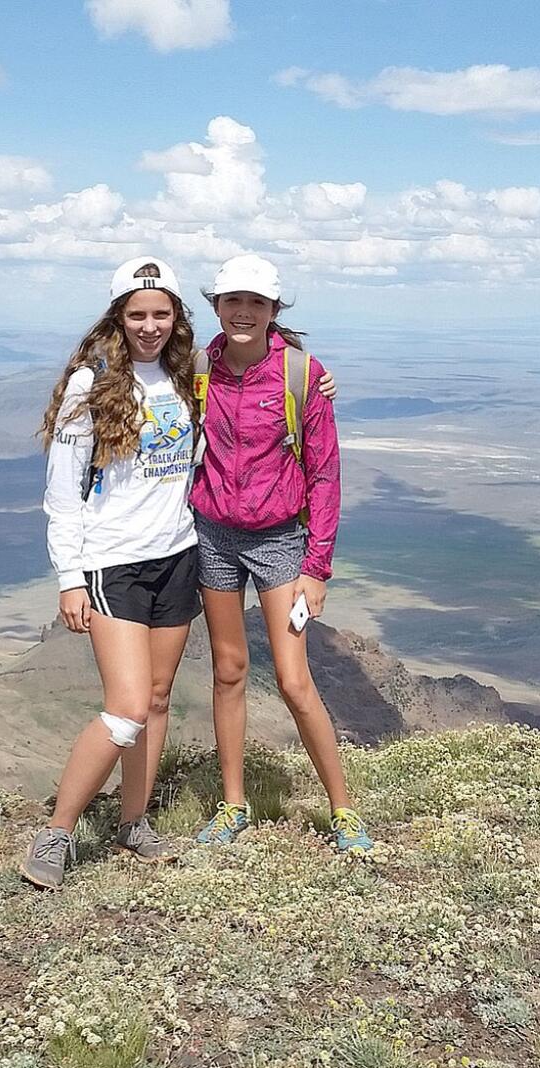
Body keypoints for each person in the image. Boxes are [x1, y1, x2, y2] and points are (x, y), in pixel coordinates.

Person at [22, 256, 202, 889]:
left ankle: (134, 823)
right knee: (126, 707)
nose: (150, 326)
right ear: (118, 318)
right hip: (113, 564)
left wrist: (317, 382)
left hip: (178, 556)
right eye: (137, 315)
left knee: (156, 700)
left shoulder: (187, 377)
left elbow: (254, 359)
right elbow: (63, 492)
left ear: (177, 317)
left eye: (161, 313)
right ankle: (56, 833)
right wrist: (70, 575)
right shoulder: (90, 384)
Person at [190, 254, 374, 854]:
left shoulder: (301, 376)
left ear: (273, 311)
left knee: (295, 681)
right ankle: (234, 805)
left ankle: (343, 811)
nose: (243, 313)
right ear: (216, 306)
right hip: (213, 532)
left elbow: (325, 475)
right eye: (232, 301)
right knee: (228, 670)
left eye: (257, 304)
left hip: (277, 542)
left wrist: (317, 568)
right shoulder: (196, 369)